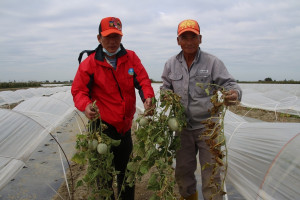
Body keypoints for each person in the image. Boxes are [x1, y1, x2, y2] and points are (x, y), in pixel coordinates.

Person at [71, 16, 155, 200]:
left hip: (124, 129)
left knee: (126, 176)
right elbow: (78, 91)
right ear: (99, 38)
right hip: (102, 129)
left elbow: (142, 80)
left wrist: (148, 97)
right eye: (108, 37)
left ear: (121, 37)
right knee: (103, 178)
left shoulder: (130, 58)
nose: (112, 42)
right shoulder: (90, 63)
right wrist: (86, 106)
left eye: (116, 37)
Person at [161, 19, 242, 200]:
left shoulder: (212, 62)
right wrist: (166, 95)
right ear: (178, 40)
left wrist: (233, 94)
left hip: (208, 129)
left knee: (211, 174)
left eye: (193, 37)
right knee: (183, 173)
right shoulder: (171, 64)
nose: (189, 41)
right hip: (182, 128)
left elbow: (230, 84)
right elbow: (165, 87)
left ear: (200, 39)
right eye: (185, 37)